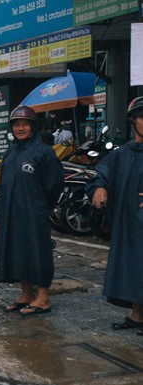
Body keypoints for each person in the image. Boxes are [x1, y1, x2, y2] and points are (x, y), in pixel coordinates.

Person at [0, 106, 65, 316]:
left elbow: (55, 184)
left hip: (34, 212)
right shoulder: (10, 153)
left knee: (38, 253)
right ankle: (26, 294)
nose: (20, 128)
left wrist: (43, 206)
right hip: (12, 212)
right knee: (18, 251)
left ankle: (43, 298)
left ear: (33, 127)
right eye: (16, 125)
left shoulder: (44, 152)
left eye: (25, 124)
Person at [87, 97, 143, 333]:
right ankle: (137, 315)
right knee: (131, 266)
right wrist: (100, 188)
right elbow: (102, 174)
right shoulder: (122, 153)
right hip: (128, 223)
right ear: (132, 121)